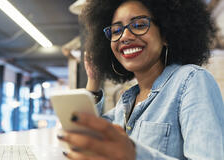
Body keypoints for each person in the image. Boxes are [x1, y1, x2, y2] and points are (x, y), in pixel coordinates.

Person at [57, 0, 224, 159]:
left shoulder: (191, 81)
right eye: (116, 31)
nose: (124, 36)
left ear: (165, 34)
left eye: (139, 25)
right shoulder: (126, 102)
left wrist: (133, 155)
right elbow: (90, 135)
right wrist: (93, 80)